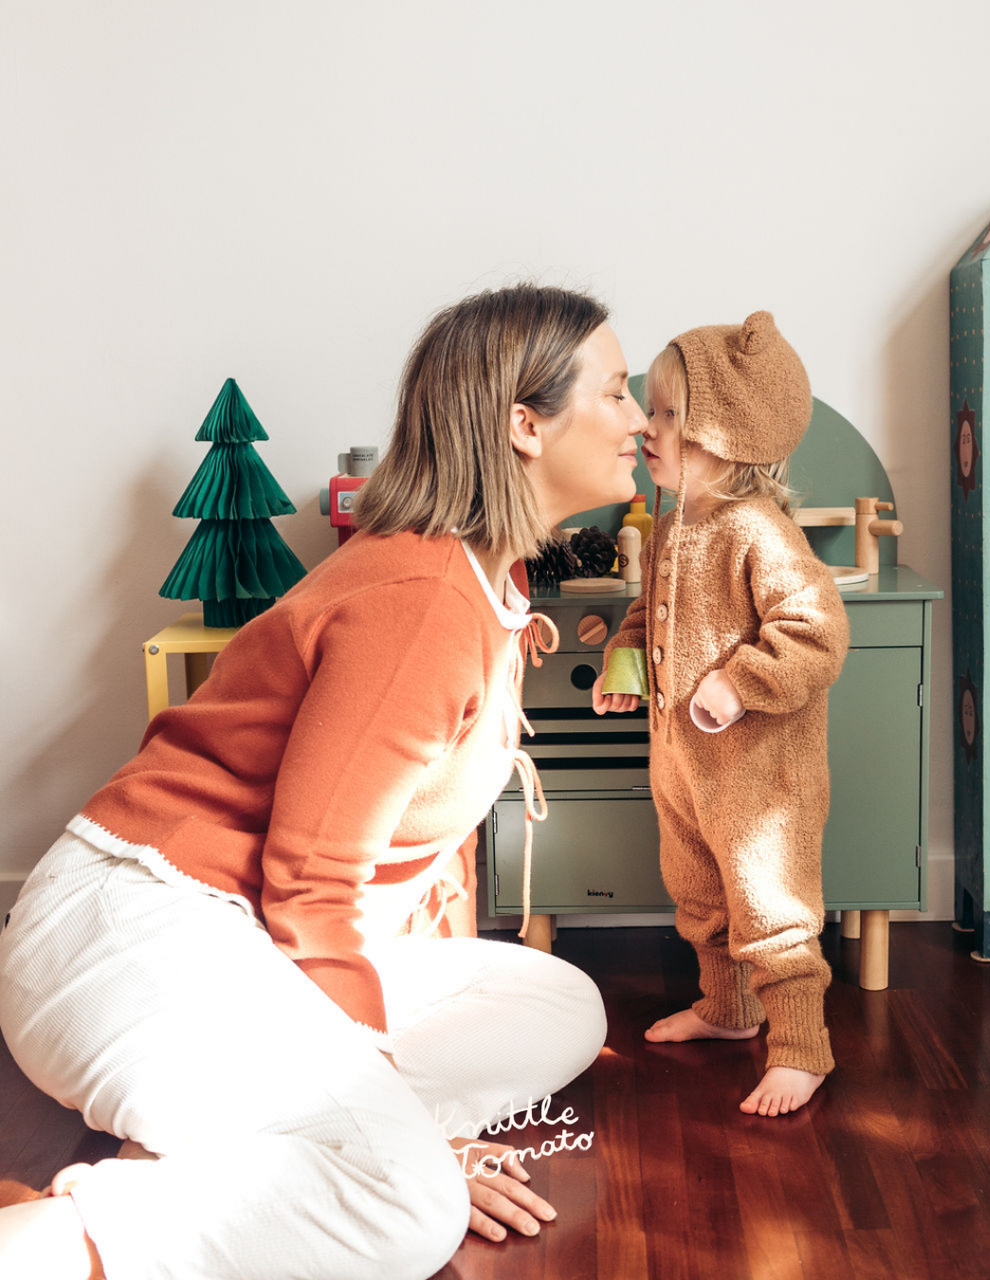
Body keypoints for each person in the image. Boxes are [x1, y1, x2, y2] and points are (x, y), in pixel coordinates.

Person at [0, 283, 648, 1279]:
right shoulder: (425, 598)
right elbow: (311, 874)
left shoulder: (487, 583)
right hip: (135, 926)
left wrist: (369, 1090)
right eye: (613, 393)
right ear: (525, 424)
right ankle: (50, 1240)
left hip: (229, 930)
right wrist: (406, 1130)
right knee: (410, 1205)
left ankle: (277, 1145)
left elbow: (388, 865)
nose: (638, 419)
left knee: (560, 1006)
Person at [594, 312, 849, 1118]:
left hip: (760, 776)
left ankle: (803, 1046)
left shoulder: (755, 532)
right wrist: (625, 667)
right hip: (683, 762)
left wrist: (740, 682)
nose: (649, 428)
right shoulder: (675, 526)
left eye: (671, 416)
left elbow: (816, 631)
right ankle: (728, 1008)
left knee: (768, 901)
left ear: (727, 433)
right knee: (698, 890)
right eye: (652, 410)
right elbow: (648, 616)